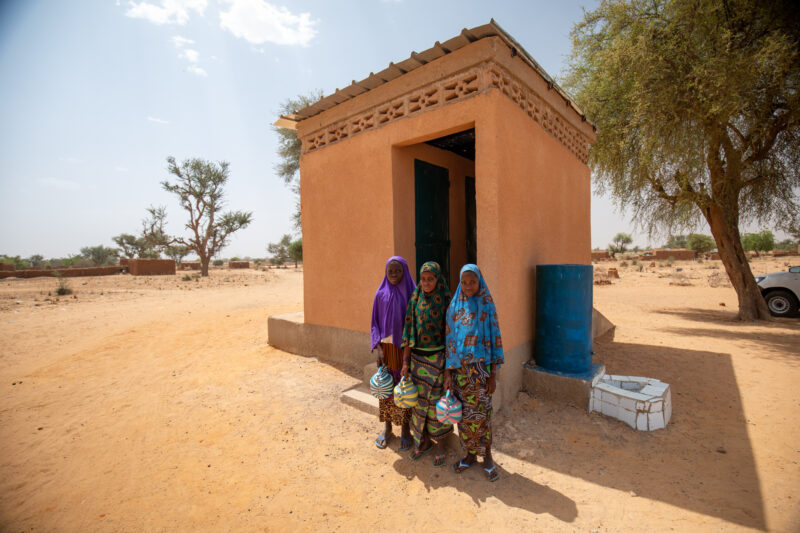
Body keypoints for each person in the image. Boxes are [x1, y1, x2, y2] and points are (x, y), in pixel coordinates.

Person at [444, 264, 504, 482]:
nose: (468, 286)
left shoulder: (486, 305)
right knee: (464, 417)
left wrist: (493, 375)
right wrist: (448, 374)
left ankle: (487, 457)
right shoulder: (454, 307)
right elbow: (449, 341)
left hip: (481, 371)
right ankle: (469, 455)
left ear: (480, 282)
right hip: (460, 372)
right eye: (464, 282)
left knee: (483, 416)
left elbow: (496, 338)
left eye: (472, 282)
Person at [401, 261, 452, 467]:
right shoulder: (415, 299)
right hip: (417, 361)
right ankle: (423, 442)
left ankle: (440, 444)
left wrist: (448, 371)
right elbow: (408, 332)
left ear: (438, 279)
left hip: (438, 361)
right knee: (419, 404)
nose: (427, 282)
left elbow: (451, 337)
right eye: (423, 279)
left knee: (436, 405)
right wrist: (405, 362)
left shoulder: (446, 300)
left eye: (431, 279)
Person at [370, 256, 416, 450]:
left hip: (405, 349)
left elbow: (415, 323)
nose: (394, 274)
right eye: (391, 271)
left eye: (398, 271)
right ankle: (388, 427)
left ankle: (405, 428)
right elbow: (375, 323)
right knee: (386, 387)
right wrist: (378, 349)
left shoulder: (412, 293)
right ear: (386, 273)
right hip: (387, 350)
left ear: (404, 271)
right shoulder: (380, 295)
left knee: (403, 387)